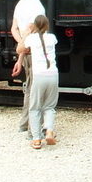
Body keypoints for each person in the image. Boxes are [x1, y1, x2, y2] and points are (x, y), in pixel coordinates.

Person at [10, 0, 52, 137]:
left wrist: (21, 48)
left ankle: (24, 124)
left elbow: (14, 29)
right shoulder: (37, 7)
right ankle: (33, 131)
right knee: (37, 91)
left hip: (26, 51)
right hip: (34, 53)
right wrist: (22, 50)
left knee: (29, 89)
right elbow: (31, 32)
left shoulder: (21, 3)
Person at [20, 13, 58, 149]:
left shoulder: (31, 39)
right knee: (50, 107)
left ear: (35, 26)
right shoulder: (52, 38)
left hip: (39, 76)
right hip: (53, 75)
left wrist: (26, 34)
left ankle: (36, 140)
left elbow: (19, 49)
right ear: (47, 25)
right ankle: (49, 130)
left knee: (35, 108)